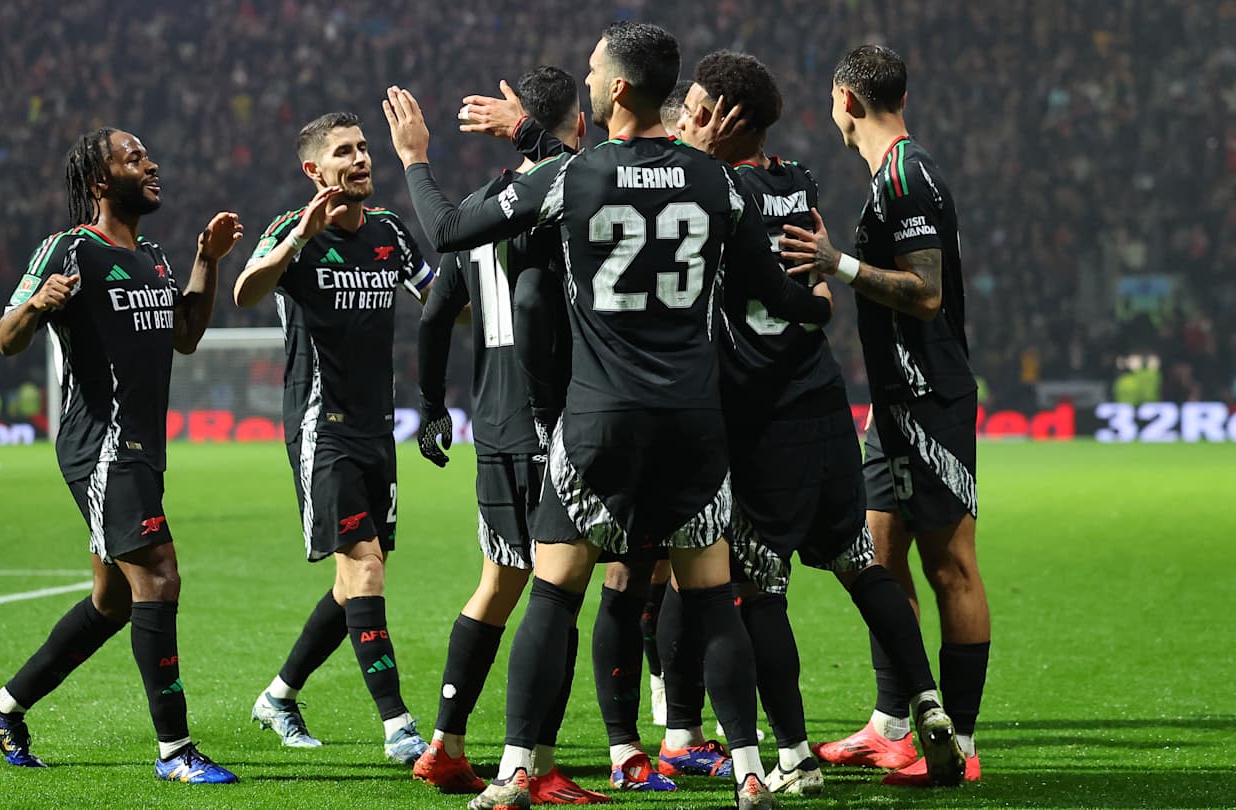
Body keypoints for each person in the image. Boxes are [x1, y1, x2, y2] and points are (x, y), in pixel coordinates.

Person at [387, 21, 833, 810]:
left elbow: (451, 230)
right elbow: (775, 294)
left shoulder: (575, 176)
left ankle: (515, 771)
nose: (588, 80)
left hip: (599, 420)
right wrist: (823, 293)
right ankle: (749, 770)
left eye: (595, 70)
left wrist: (416, 159)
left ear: (620, 87)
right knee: (711, 597)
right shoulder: (719, 183)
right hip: (694, 424)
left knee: (554, 594)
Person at [664, 49, 963, 794]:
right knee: (862, 565)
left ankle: (794, 757)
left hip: (760, 418)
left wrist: (697, 155)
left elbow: (672, 185)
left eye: (696, 111)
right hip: (824, 402)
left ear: (724, 119)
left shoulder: (712, 192)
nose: (685, 122)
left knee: (760, 590)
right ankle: (927, 704)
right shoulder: (798, 181)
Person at [0, 127, 242, 784]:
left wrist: (207, 260)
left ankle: (2, 708)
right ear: (100, 181)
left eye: (147, 155)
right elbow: (7, 337)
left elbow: (185, 335)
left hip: (142, 449)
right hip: (101, 447)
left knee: (112, 603)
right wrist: (37, 304)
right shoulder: (69, 248)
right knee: (159, 577)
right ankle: (175, 751)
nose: (151, 164)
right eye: (134, 158)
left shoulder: (153, 256)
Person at [780, 44, 990, 787]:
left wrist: (835, 263)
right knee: (874, 554)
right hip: (896, 401)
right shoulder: (889, 178)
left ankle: (961, 745)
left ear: (847, 99)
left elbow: (926, 294)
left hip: (932, 397)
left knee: (950, 566)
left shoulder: (907, 177)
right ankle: (892, 726)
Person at [412, 65, 610, 805]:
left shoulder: (475, 207)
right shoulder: (570, 197)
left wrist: (432, 404)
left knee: (499, 582)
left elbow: (434, 315)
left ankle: (445, 743)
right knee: (561, 588)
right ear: (579, 126)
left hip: (490, 423)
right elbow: (532, 303)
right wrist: (551, 409)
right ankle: (539, 764)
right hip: (549, 417)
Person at [235, 112, 435, 766]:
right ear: (313, 170)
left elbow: (440, 301)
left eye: (363, 148)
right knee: (365, 566)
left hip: (379, 428)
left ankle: (279, 696)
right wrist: (298, 237)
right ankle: (399, 727)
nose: (360, 159)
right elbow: (244, 293)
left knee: (355, 583)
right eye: (343, 152)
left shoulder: (389, 232)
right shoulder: (292, 232)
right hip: (324, 429)